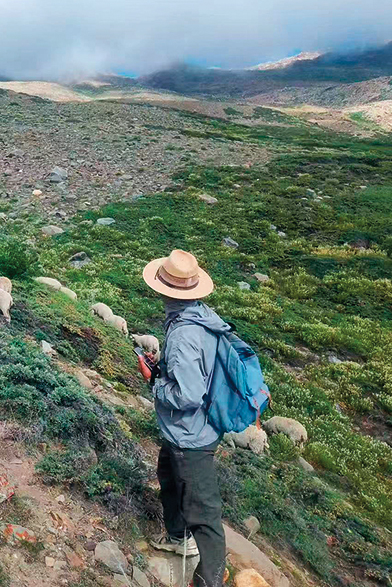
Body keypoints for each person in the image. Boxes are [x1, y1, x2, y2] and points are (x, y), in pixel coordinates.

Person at [137, 249, 227, 587]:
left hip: (191, 437)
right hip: (185, 430)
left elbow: (189, 395)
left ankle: (208, 581)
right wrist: (162, 370)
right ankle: (177, 537)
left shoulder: (184, 335)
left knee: (204, 514)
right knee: (169, 477)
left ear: (164, 289)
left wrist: (153, 383)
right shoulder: (198, 315)